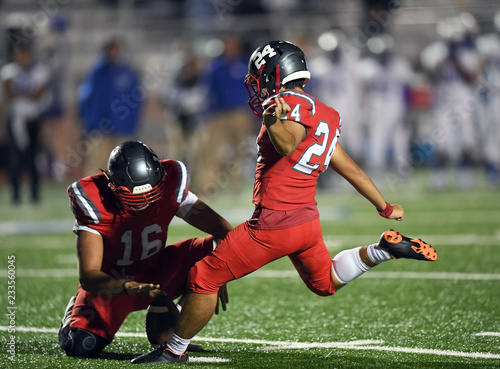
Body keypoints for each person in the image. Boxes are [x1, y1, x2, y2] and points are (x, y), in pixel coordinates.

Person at [131, 41, 438, 364]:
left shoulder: (284, 103)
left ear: (276, 73)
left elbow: (289, 144)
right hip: (306, 222)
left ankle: (173, 351)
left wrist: (274, 122)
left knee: (203, 276)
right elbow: (351, 168)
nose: (258, 85)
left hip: (273, 224)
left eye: (260, 76)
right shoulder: (327, 114)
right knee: (326, 282)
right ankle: (382, 250)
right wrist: (385, 206)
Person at [58, 140, 232, 358]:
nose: (144, 203)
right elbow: (89, 276)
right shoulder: (95, 198)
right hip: (112, 285)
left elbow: (221, 229)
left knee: (223, 247)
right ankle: (73, 314)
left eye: (151, 195)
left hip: (158, 271)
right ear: (112, 185)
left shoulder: (172, 180)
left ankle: (174, 325)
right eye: (133, 198)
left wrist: (220, 271)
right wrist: (127, 286)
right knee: (79, 346)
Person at [78, 38, 143, 177]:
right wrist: (90, 122)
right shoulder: (97, 73)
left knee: (123, 166)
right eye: (113, 49)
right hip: (99, 128)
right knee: (97, 165)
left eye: (118, 50)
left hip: (122, 128)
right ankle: (92, 195)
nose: (116, 53)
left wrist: (131, 123)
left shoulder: (127, 73)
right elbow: (87, 98)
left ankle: (122, 197)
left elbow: (137, 99)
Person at [1, 44, 50, 205]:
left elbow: (38, 95)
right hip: (15, 119)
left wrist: (21, 91)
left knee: (33, 158)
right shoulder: (9, 72)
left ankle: (34, 195)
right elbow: (10, 93)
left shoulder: (39, 71)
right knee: (15, 159)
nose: (24, 57)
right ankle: (16, 196)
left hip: (32, 119)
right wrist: (28, 92)